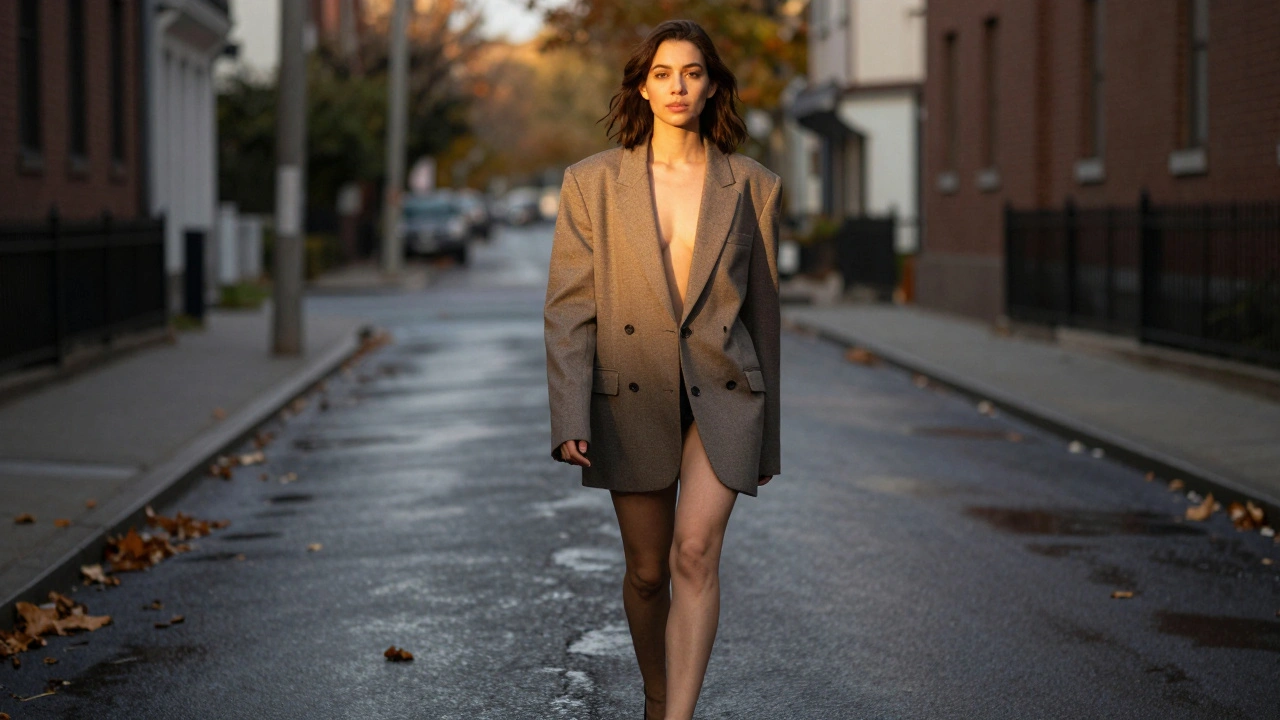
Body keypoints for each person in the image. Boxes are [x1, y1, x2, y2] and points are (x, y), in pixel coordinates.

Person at [543, 18, 781, 720]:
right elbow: (569, 309)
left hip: (724, 392)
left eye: (693, 73)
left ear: (712, 87)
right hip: (631, 392)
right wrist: (569, 413)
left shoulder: (753, 185)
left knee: (694, 553)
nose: (678, 87)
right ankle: (656, 694)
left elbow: (764, 319)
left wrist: (768, 443)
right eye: (663, 74)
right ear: (643, 88)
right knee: (648, 573)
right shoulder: (591, 183)